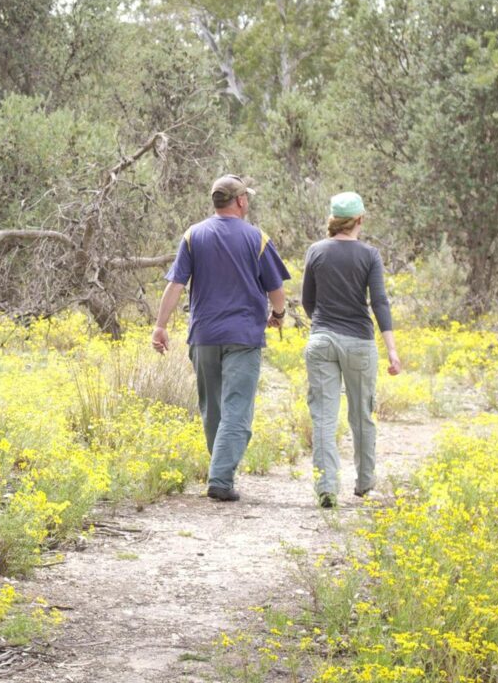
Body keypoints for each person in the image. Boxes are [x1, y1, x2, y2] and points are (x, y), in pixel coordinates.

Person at [151, 174, 290, 502]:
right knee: (237, 409)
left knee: (212, 408)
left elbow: (175, 284)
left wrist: (160, 325)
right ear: (240, 201)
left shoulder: (193, 235)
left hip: (204, 335)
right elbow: (277, 289)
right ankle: (221, 477)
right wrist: (279, 315)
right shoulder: (256, 238)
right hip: (243, 336)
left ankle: (220, 471)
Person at [299, 192, 402, 509]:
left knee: (324, 418)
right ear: (360, 219)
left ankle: (326, 487)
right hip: (359, 341)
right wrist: (392, 350)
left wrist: (322, 322)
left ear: (333, 220)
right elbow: (379, 302)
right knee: (361, 414)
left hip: (322, 340)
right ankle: (364, 482)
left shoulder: (316, 251)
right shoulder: (369, 255)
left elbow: (307, 300)